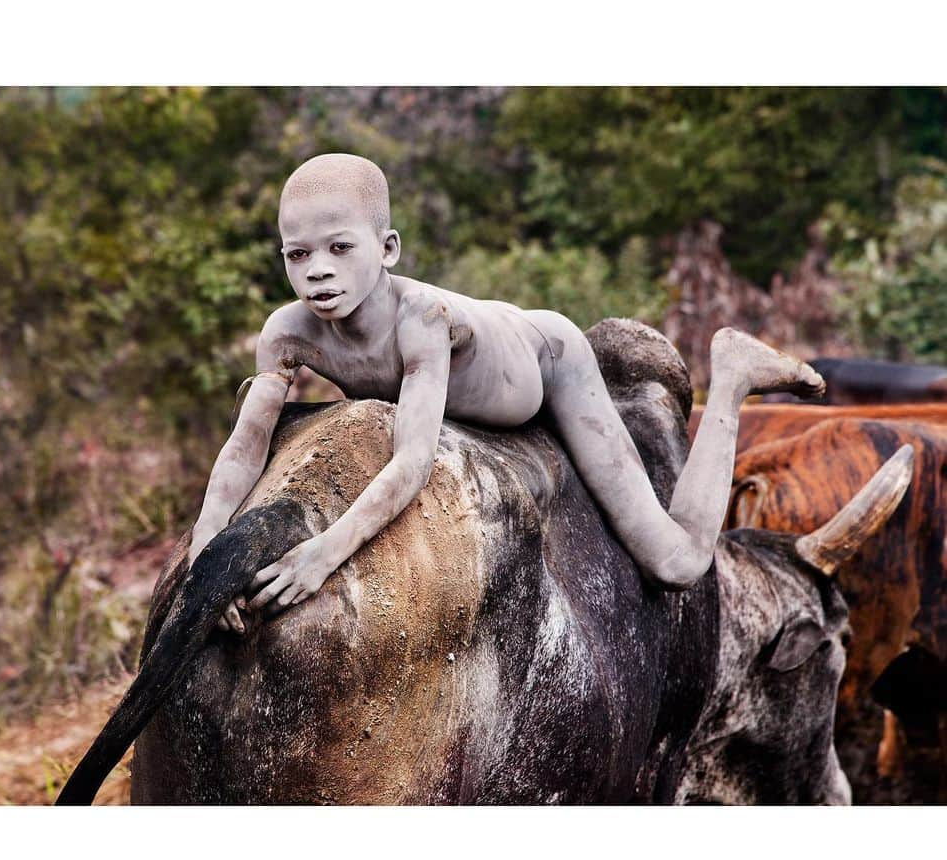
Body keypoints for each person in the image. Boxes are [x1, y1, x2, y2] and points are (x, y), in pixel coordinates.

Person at [187, 153, 823, 632]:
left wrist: (322, 555)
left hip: (548, 358)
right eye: (298, 255)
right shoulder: (286, 333)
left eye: (340, 248)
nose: (318, 269)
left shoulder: (420, 321)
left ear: (387, 249)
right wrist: (201, 567)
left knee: (677, 563)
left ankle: (734, 374)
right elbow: (243, 450)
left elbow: (412, 460)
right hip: (485, 328)